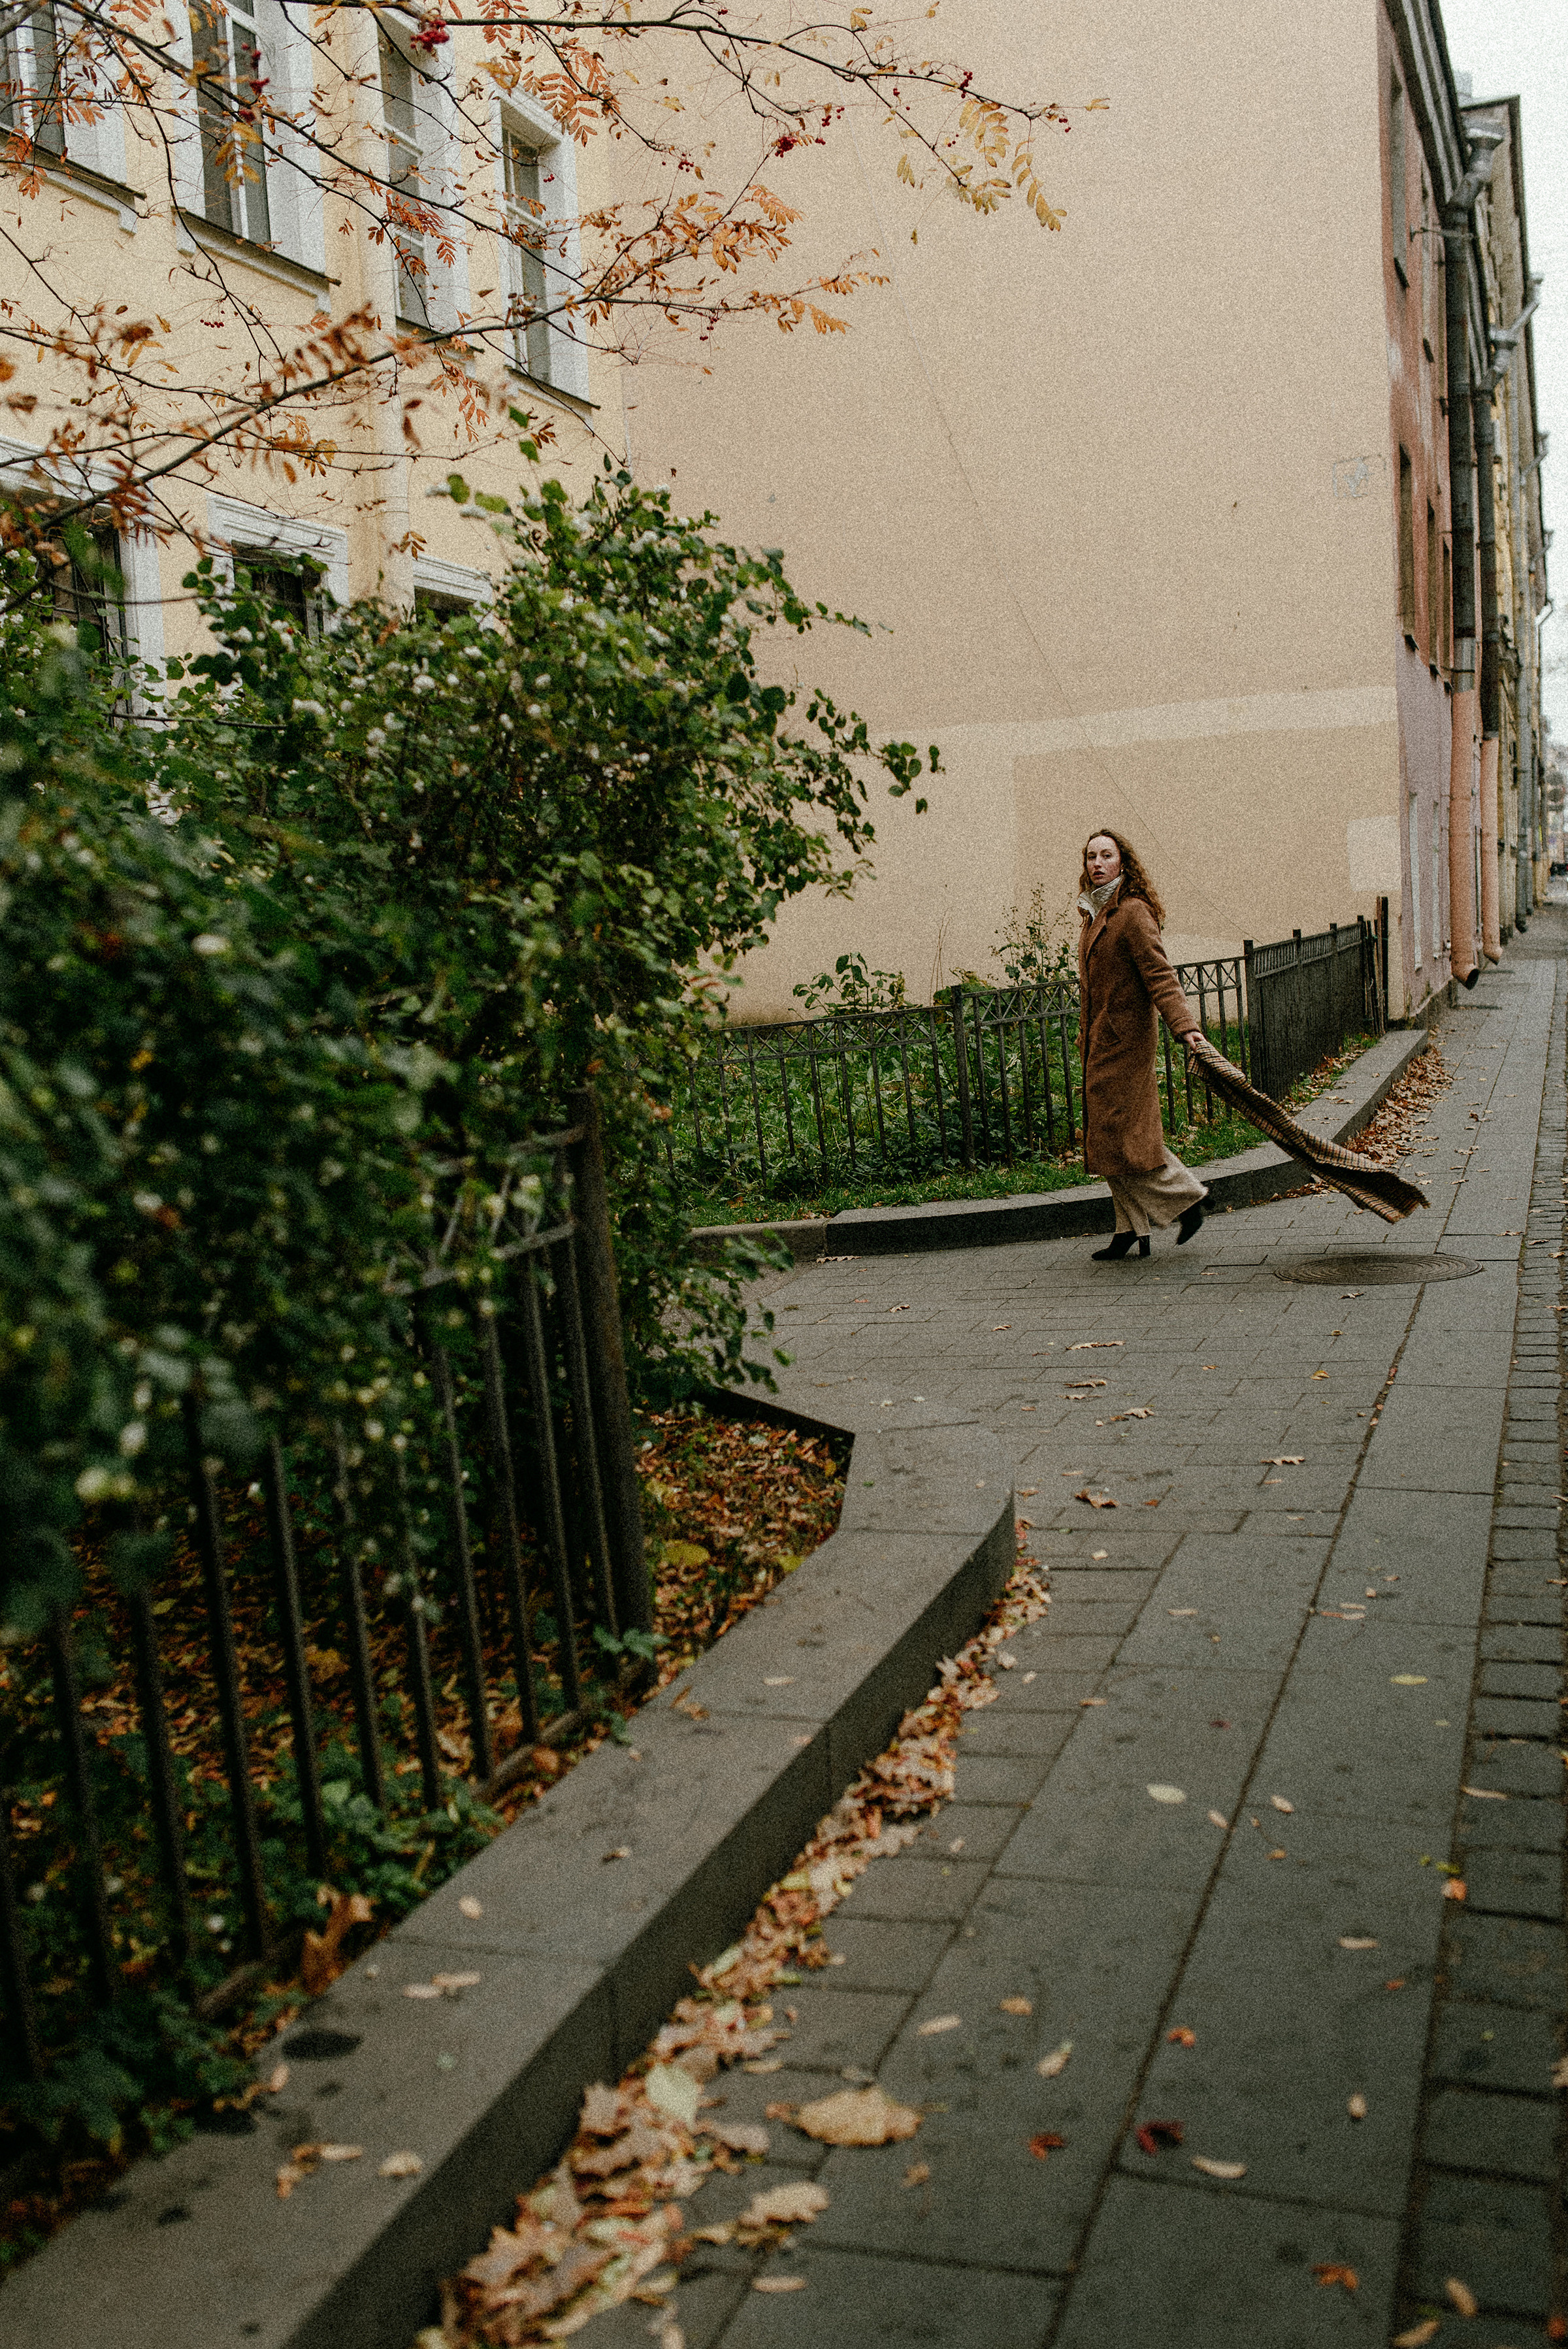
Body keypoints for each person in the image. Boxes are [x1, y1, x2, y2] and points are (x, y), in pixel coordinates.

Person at [1077, 828, 1207, 1261]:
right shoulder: (1096, 914)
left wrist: (1185, 1027)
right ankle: (1129, 1230)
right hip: (1101, 1043)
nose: (1098, 863)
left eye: (1106, 855)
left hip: (1127, 1044)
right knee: (1107, 1138)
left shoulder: (1132, 912)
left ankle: (1189, 1197)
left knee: (1124, 1138)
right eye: (1092, 856)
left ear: (1123, 863)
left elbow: (1160, 976)